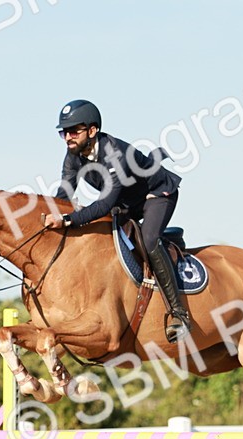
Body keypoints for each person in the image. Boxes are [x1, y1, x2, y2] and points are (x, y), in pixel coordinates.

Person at [42, 99, 191, 343]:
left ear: (92, 131)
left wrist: (68, 220)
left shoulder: (114, 153)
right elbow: (64, 196)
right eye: (64, 132)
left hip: (156, 194)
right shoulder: (73, 156)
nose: (68, 137)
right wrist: (48, 218)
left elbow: (105, 203)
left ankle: (179, 314)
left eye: (74, 131)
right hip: (126, 200)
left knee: (150, 240)